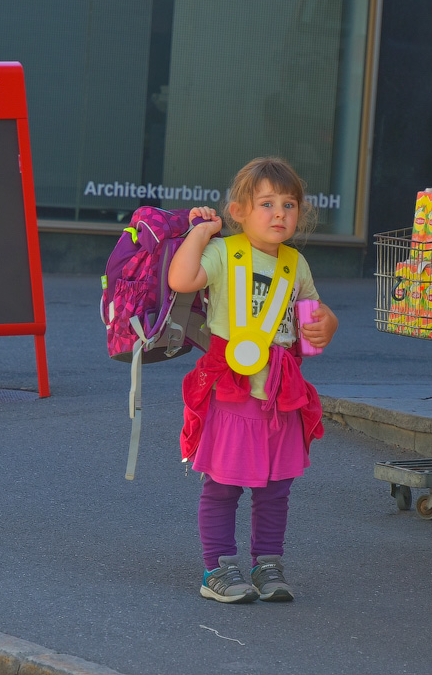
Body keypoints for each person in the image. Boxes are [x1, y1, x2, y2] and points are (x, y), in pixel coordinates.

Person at [168, 156, 337, 604]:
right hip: (232, 393)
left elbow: (311, 327)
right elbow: (181, 278)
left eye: (289, 204)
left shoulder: (296, 265)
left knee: (276, 490)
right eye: (266, 203)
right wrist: (202, 233)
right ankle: (217, 569)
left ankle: (268, 564)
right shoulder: (224, 253)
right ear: (239, 211)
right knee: (223, 486)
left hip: (280, 398)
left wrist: (327, 325)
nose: (279, 213)